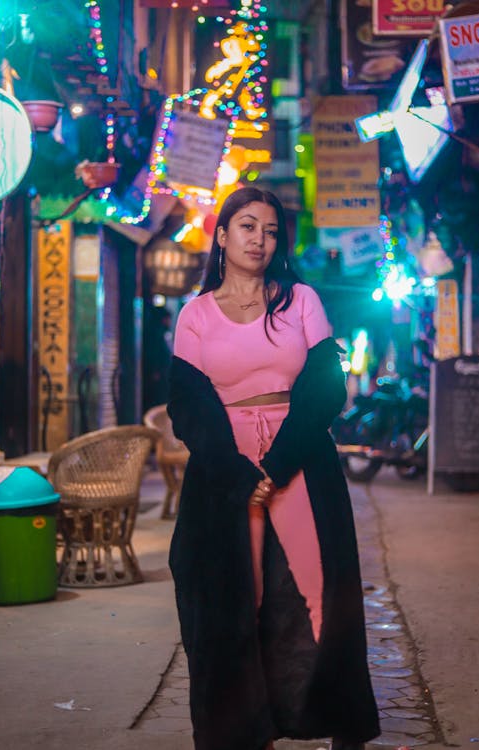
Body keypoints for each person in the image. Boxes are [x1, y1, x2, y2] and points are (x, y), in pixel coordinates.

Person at [167, 187, 380, 750]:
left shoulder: (302, 300)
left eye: (269, 229)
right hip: (223, 470)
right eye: (247, 226)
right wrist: (240, 475)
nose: (259, 239)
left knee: (318, 589)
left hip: (301, 455)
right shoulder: (195, 314)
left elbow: (324, 386)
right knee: (239, 596)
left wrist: (279, 462)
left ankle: (337, 719)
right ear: (222, 235)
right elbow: (188, 405)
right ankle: (242, 729)